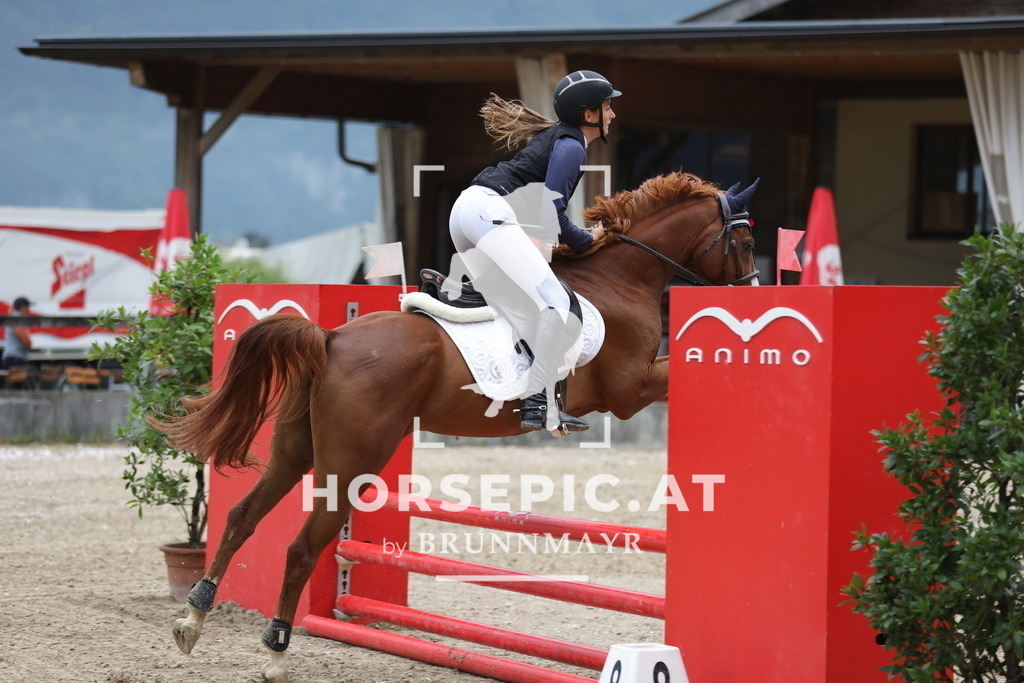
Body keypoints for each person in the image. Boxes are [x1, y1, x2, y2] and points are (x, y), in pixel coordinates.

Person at [447, 70, 620, 435]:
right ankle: (539, 403)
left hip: (466, 211)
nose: (613, 114)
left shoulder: (560, 139)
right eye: (607, 107)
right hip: (488, 214)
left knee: (516, 300)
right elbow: (551, 213)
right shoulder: (572, 148)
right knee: (556, 303)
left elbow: (540, 216)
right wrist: (585, 240)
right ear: (589, 114)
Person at [3, 297, 33, 388]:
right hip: (15, 358)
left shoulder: (13, 317)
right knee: (27, 387)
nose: (29, 310)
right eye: (27, 307)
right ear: (23, 307)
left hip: (13, 357)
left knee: (17, 387)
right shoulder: (17, 319)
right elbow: (24, 339)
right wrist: (28, 343)